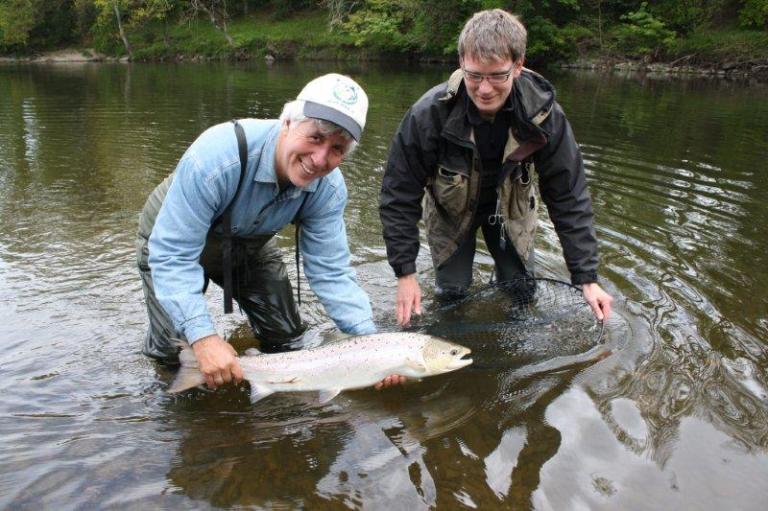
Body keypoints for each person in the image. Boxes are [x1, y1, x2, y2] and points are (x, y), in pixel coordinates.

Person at [137, 73, 404, 390]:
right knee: (174, 352)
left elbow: (331, 270)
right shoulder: (217, 157)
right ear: (288, 122)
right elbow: (172, 255)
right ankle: (169, 407)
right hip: (170, 243)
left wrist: (372, 345)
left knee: (287, 337)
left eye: (337, 149)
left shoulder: (328, 190)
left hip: (250, 244)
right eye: (315, 137)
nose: (320, 160)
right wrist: (203, 336)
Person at [379, 9, 613, 327]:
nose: (484, 89)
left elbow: (568, 195)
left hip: (511, 211)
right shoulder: (428, 114)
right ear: (461, 62)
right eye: (474, 75)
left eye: (497, 76)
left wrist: (586, 278)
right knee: (452, 293)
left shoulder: (544, 116)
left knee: (521, 291)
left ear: (518, 66)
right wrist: (404, 273)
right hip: (451, 213)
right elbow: (398, 194)